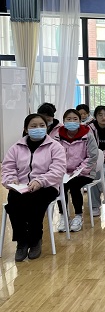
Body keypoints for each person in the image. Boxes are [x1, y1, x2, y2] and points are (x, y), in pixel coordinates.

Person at [1, 114, 66, 261]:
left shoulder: (55, 147)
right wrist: (11, 180)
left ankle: (35, 239)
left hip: (47, 186)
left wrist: (40, 181)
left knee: (35, 202)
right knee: (13, 203)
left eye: (42, 126)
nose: (38, 128)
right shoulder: (16, 147)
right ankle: (21, 241)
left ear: (47, 127)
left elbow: (58, 169)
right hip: (22, 186)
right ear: (26, 129)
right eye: (33, 126)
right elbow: (8, 167)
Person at [54, 109, 99, 233]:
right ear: (64, 121)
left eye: (75, 119)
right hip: (64, 172)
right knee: (60, 185)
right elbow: (54, 156)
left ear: (80, 121)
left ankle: (78, 216)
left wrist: (78, 171)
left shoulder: (88, 135)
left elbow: (92, 156)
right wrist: (62, 171)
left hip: (85, 172)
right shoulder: (57, 136)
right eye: (68, 119)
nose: (72, 121)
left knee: (74, 185)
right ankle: (64, 216)